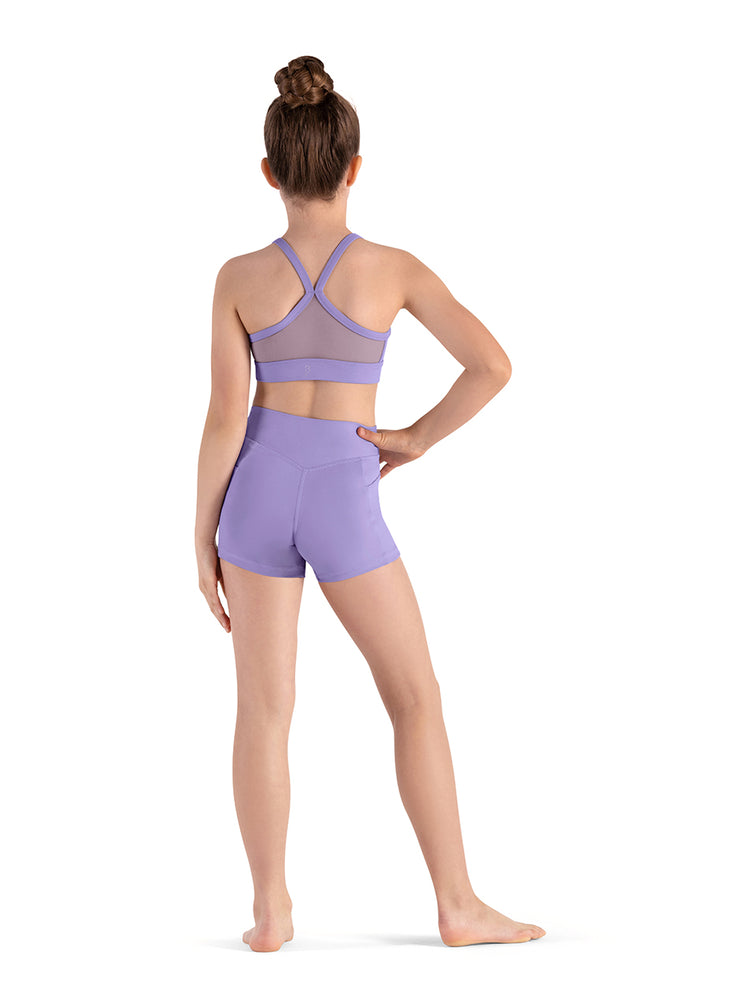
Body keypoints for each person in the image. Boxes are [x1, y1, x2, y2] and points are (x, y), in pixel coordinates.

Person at [194, 55, 546, 953]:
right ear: (355, 166)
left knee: (263, 711)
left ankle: (271, 913)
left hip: (255, 492)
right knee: (415, 698)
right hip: (344, 494)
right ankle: (458, 906)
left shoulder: (238, 278)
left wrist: (202, 533)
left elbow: (226, 418)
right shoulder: (392, 270)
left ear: (269, 172)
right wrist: (416, 438)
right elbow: (493, 366)